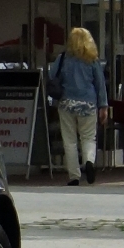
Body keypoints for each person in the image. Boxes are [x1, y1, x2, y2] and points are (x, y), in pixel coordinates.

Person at [45, 27, 109, 185]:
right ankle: (89, 161)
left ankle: (74, 176)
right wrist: (103, 106)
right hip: (88, 103)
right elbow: (100, 85)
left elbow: (52, 76)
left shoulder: (63, 58)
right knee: (88, 137)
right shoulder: (92, 60)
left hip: (67, 103)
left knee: (70, 140)